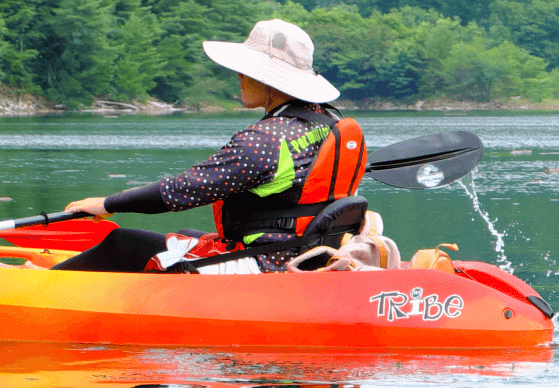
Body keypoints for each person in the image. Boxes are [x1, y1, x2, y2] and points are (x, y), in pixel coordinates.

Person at [53, 18, 367, 274]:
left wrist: (107, 203)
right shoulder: (326, 124)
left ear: (272, 81)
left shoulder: (264, 140)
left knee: (123, 242)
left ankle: (39, 288)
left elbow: (181, 190)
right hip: (304, 252)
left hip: (267, 264)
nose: (240, 76)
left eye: (248, 70)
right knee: (188, 235)